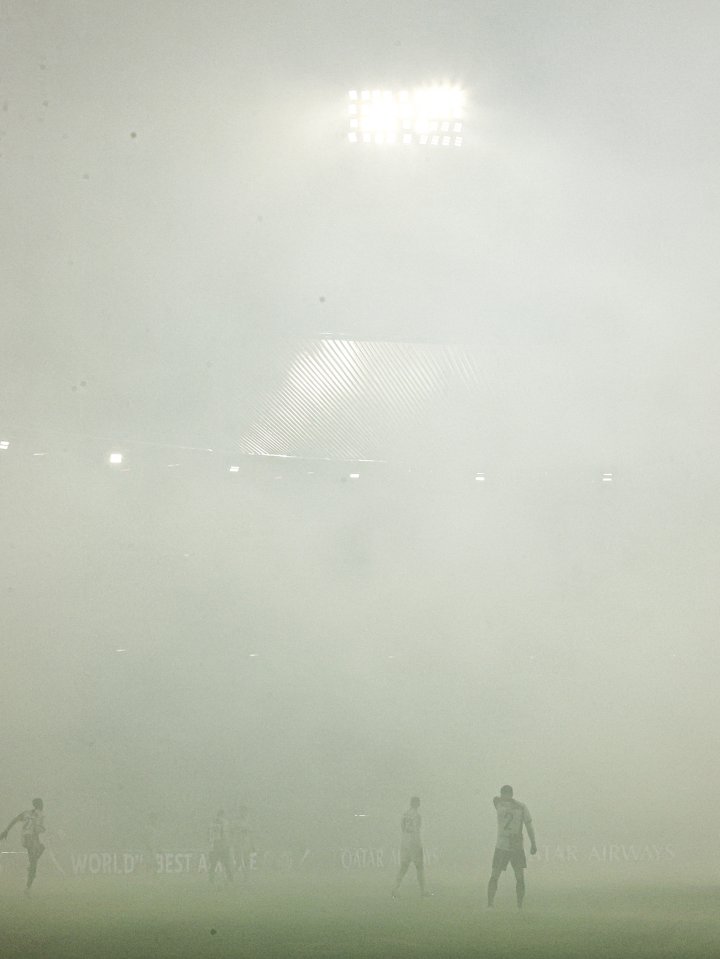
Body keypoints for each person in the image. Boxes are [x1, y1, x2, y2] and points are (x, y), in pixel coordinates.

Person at [487, 784, 536, 909]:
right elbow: (529, 826)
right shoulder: (521, 806)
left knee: (495, 874)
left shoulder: (499, 805)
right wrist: (533, 843)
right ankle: (519, 906)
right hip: (516, 845)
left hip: (502, 845)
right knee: (519, 876)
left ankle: (490, 904)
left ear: (503, 794)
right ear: (512, 794)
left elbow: (495, 799)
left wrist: (504, 799)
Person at [0, 797, 46, 893]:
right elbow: (38, 829)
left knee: (40, 850)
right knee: (34, 862)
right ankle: (28, 887)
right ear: (39, 805)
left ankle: (28, 886)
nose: (43, 805)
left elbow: (15, 820)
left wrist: (6, 830)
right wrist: (43, 829)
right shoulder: (40, 814)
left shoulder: (26, 813)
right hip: (31, 838)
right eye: (42, 804)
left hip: (26, 838)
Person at [392, 796, 428, 898]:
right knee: (420, 867)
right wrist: (418, 844)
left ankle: (395, 888)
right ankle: (423, 891)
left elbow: (402, 827)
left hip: (405, 842)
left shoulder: (405, 814)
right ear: (417, 804)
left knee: (403, 867)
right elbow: (417, 829)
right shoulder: (417, 816)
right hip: (414, 843)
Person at [208, 809, 234, 883]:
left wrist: (211, 845)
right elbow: (225, 835)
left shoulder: (212, 823)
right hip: (222, 846)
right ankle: (230, 879)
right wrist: (228, 844)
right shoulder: (224, 822)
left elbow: (210, 836)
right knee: (226, 863)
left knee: (213, 864)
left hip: (214, 846)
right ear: (222, 815)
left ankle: (211, 879)